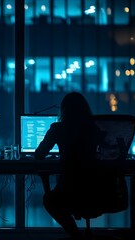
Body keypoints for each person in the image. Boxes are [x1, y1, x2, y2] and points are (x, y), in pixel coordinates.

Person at [34, 92, 102, 240]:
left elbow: (39, 154)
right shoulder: (95, 129)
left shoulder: (58, 128)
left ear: (63, 110)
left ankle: (76, 235)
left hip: (68, 191)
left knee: (49, 200)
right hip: (95, 191)